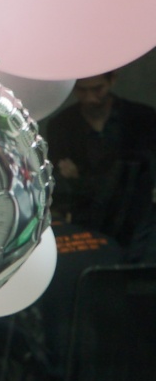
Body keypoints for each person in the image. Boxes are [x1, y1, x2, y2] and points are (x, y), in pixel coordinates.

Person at [40, 71, 156, 249]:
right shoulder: (62, 125)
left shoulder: (142, 118)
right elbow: (59, 182)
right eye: (82, 90)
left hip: (137, 217)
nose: (90, 97)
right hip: (86, 219)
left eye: (97, 89)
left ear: (112, 81)